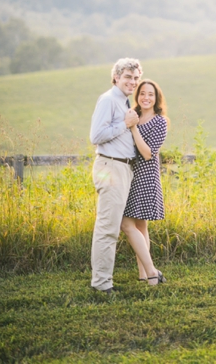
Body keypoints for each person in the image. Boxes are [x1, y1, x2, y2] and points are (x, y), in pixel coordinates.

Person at [89, 58, 142, 294]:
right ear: (116, 78)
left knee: (112, 225)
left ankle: (104, 280)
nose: (133, 82)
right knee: (107, 228)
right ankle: (102, 284)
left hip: (122, 168)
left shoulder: (124, 102)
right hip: (110, 167)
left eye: (136, 78)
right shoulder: (109, 100)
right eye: (128, 77)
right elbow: (96, 136)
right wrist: (125, 123)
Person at [120, 79, 169, 287]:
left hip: (145, 175)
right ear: (137, 95)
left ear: (156, 98)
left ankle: (150, 272)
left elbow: (148, 153)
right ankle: (145, 274)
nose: (146, 97)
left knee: (131, 223)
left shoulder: (160, 122)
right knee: (140, 226)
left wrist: (133, 129)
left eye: (150, 94)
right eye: (142, 93)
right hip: (128, 174)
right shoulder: (133, 116)